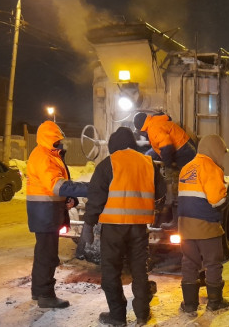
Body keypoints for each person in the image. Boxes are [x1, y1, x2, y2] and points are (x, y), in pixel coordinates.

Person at [83, 127, 166, 326]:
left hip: (113, 228)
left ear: (113, 145)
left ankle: (118, 317)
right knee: (139, 271)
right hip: (139, 228)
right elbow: (161, 192)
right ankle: (142, 314)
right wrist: (154, 212)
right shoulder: (148, 163)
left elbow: (96, 197)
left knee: (111, 271)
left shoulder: (108, 164)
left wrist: (88, 223)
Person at [26, 120, 88, 308]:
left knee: (43, 253)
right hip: (44, 214)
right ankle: (46, 296)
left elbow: (57, 186)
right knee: (47, 255)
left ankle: (38, 291)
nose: (61, 143)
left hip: (45, 213)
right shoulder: (44, 157)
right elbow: (57, 186)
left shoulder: (48, 155)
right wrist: (88, 188)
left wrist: (70, 198)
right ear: (49, 140)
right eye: (57, 140)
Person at [177, 134, 229, 315]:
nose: (222, 156)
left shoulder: (186, 168)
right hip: (206, 227)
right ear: (214, 149)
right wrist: (227, 197)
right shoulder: (211, 167)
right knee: (212, 264)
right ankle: (215, 302)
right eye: (222, 152)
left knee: (189, 263)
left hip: (185, 227)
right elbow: (217, 201)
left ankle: (190, 304)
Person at [133, 112, 197, 229]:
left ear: (141, 128)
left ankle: (177, 223)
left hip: (184, 156)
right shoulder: (156, 122)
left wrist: (168, 167)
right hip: (187, 151)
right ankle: (177, 221)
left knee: (175, 188)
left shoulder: (153, 129)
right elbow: (160, 148)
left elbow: (167, 147)